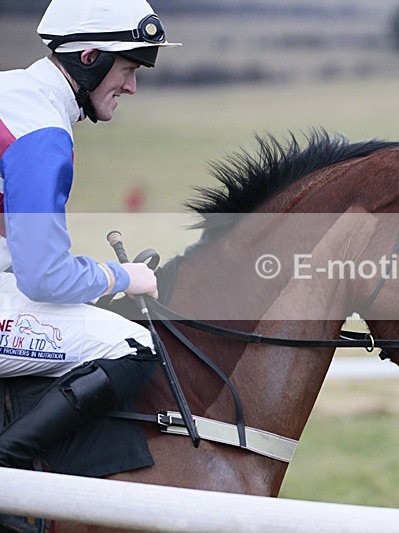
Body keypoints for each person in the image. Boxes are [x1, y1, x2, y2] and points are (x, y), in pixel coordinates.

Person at [0, 0, 179, 525]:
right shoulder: (42, 132)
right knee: (133, 344)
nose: (131, 87)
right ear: (89, 57)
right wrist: (125, 276)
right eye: (127, 69)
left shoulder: (13, 92)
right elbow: (46, 277)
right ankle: (9, 476)